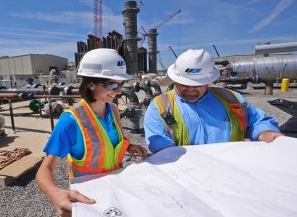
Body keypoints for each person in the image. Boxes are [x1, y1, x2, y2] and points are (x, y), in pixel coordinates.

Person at [36, 48, 147, 217]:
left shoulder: (114, 110)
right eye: (112, 84)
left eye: (121, 84)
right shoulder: (71, 121)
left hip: (114, 189)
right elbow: (45, 169)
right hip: (87, 197)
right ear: (91, 84)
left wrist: (128, 146)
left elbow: (106, 142)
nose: (118, 91)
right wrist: (55, 194)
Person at [144, 49, 283, 153]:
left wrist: (264, 132)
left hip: (232, 169)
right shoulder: (160, 106)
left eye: (197, 85)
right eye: (184, 84)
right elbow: (159, 143)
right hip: (186, 173)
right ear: (175, 79)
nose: (190, 89)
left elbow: (258, 121)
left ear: (209, 81)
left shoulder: (231, 99)